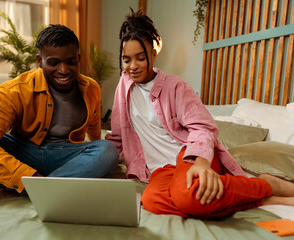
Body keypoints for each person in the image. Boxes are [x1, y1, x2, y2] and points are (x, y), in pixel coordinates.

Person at [105, 9, 294, 219]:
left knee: (188, 196)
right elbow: (118, 136)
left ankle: (267, 184)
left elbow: (203, 127)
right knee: (151, 200)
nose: (132, 66)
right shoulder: (124, 86)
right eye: (126, 59)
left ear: (153, 53)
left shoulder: (176, 87)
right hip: (159, 170)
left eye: (140, 58)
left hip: (190, 156)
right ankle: (264, 195)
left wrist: (202, 163)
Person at [0, 24, 119, 206]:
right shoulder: (16, 89)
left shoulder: (91, 88)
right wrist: (27, 178)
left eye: (71, 61)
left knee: (107, 150)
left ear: (78, 58)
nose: (64, 70)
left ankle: (19, 190)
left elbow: (94, 125)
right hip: (22, 151)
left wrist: (95, 155)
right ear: (39, 61)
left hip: (63, 155)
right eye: (53, 62)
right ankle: (39, 187)